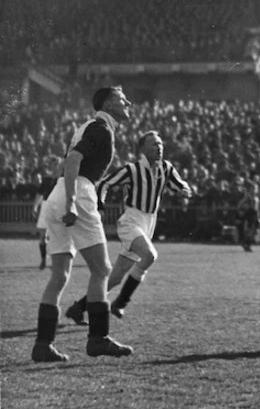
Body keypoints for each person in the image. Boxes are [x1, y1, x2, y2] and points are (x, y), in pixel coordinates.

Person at [31, 86, 134, 362]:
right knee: (102, 269)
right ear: (110, 104)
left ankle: (43, 345)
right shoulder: (102, 128)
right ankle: (98, 339)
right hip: (76, 192)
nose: (128, 104)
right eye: (123, 100)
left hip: (58, 194)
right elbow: (74, 159)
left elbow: (71, 159)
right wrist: (72, 202)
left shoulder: (91, 126)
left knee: (59, 276)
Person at [64, 131, 192, 323]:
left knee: (114, 278)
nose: (159, 148)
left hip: (148, 223)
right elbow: (105, 184)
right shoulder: (132, 169)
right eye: (154, 145)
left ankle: (78, 308)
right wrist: (100, 205)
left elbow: (181, 185)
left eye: (160, 144)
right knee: (150, 256)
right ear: (143, 149)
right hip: (131, 221)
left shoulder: (166, 168)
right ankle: (121, 303)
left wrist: (185, 191)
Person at [31, 158, 60, 270]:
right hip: (46, 206)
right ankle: (43, 260)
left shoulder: (62, 179)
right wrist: (35, 206)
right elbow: (40, 194)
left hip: (57, 206)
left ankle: (55, 262)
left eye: (57, 164)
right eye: (54, 164)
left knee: (56, 236)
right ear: (51, 166)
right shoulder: (47, 180)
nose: (56, 166)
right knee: (43, 236)